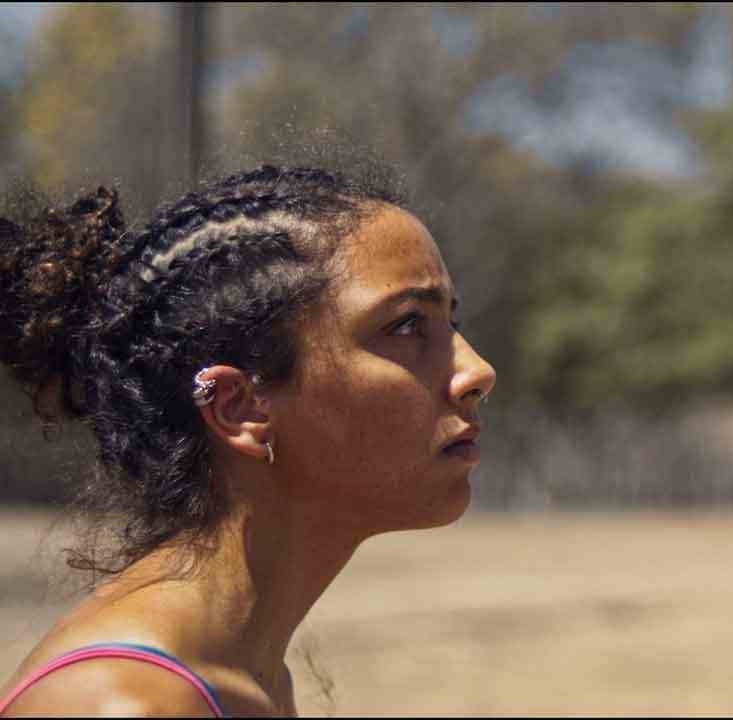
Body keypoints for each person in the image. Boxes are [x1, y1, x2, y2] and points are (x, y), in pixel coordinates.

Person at [0, 165, 496, 716]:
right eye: (406, 326)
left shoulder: (245, 676)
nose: (477, 372)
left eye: (451, 321)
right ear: (239, 408)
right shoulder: (127, 704)